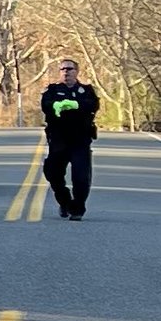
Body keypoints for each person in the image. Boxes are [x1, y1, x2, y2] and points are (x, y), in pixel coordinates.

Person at [40, 58, 100, 221]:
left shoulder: (86, 90)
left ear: (77, 71)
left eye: (70, 69)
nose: (66, 72)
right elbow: (46, 105)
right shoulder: (52, 90)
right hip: (59, 140)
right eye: (63, 69)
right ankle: (65, 201)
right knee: (53, 173)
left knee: (81, 177)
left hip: (80, 140)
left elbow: (93, 105)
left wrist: (75, 105)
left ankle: (77, 209)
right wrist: (56, 106)